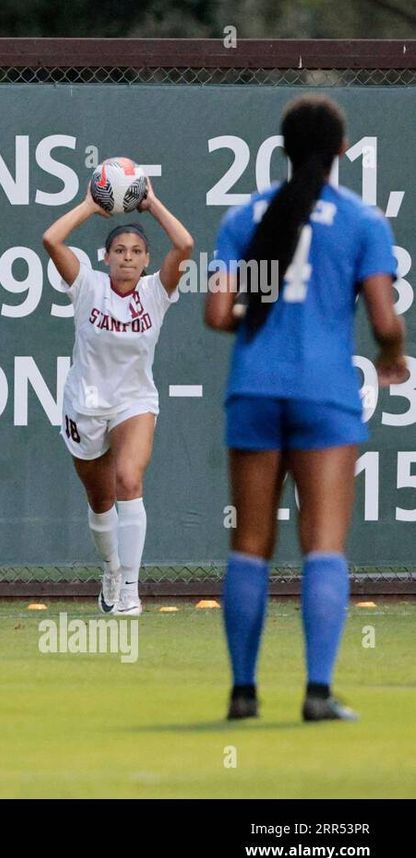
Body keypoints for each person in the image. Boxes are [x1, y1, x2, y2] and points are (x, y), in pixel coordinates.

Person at [205, 94, 407, 722]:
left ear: (284, 149)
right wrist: (392, 356)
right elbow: (383, 320)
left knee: (250, 543)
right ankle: (317, 694)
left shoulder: (245, 216)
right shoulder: (362, 222)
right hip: (324, 395)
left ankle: (244, 693)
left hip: (255, 388)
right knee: (323, 543)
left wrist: (260, 316)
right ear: (341, 150)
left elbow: (216, 314)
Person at [42, 177, 194, 616]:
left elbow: (184, 245)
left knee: (129, 479)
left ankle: (130, 587)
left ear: (146, 260)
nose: (127, 258)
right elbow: (51, 238)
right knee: (101, 499)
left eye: (136, 252)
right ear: (106, 258)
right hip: (85, 403)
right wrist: (92, 204)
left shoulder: (156, 292)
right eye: (119, 251)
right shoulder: (87, 285)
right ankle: (111, 568)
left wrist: (152, 204)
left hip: (134, 401)